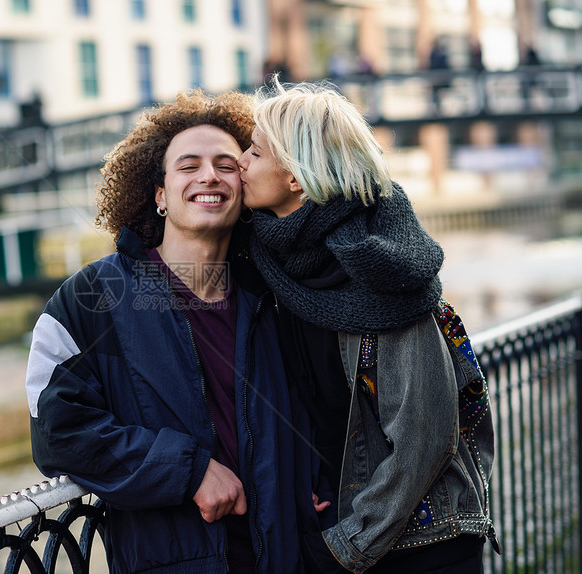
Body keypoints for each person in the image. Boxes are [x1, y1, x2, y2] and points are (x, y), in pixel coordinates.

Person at [25, 90, 315, 573]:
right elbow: (55, 428)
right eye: (188, 165)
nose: (209, 175)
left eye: (227, 164)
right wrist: (189, 470)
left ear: (243, 192)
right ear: (159, 194)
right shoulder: (91, 297)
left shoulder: (275, 296)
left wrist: (317, 481)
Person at [237, 78, 497, 573]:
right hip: (347, 524)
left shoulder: (382, 271)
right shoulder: (272, 260)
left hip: (422, 542)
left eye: (253, 150)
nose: (240, 162)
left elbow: (426, 435)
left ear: (295, 176)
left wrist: (346, 543)